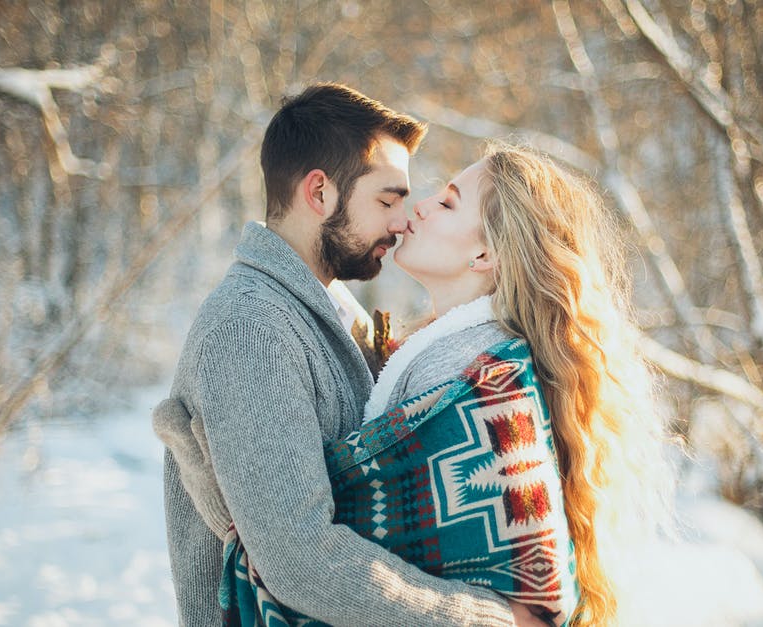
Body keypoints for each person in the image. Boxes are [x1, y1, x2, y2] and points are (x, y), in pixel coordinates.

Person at [157, 143, 673, 625]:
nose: (417, 209)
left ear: (484, 256)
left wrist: (214, 489)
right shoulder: (442, 352)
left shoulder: (473, 379)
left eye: (448, 204)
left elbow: (334, 554)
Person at [158, 83, 532, 627]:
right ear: (319, 194)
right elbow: (302, 561)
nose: (403, 221)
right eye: (387, 199)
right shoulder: (249, 328)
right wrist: (485, 621)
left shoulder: (333, 313)